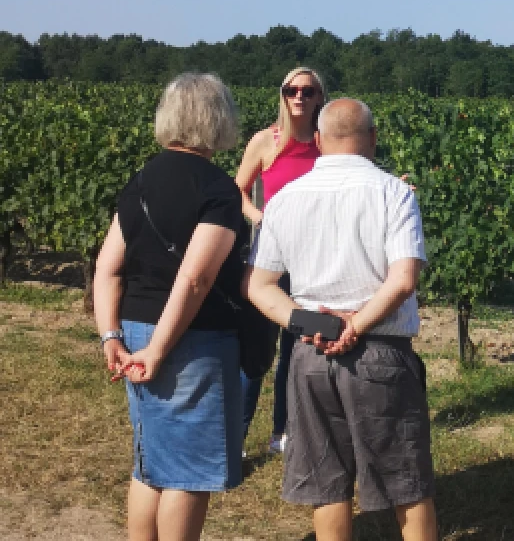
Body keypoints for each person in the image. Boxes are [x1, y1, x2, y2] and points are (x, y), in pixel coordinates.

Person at [244, 98, 437, 541]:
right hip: (382, 354)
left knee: (326, 485)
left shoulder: (286, 199)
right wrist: (357, 324)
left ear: (317, 141)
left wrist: (308, 321)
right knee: (406, 484)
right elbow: (403, 278)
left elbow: (258, 286)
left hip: (310, 353)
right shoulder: (394, 192)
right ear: (372, 138)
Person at [92, 72, 248, 541]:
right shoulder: (219, 190)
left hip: (135, 331)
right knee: (186, 471)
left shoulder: (139, 181)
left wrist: (111, 337)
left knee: (150, 462)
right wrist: (159, 350)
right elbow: (196, 278)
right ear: (219, 119)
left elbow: (107, 268)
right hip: (191, 342)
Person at [235, 66, 326, 453]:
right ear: (283, 95)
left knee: (295, 348)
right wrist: (262, 220)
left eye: (307, 90)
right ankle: (234, 437)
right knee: (255, 351)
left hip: (310, 261)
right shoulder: (265, 141)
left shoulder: (327, 145)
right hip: (268, 262)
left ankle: (282, 433)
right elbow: (237, 190)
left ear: (320, 97)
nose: (299, 97)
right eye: (291, 90)